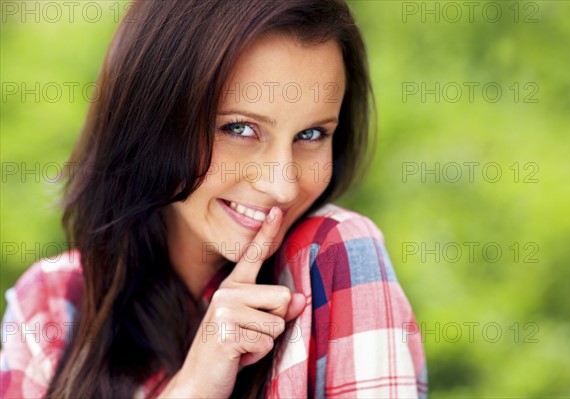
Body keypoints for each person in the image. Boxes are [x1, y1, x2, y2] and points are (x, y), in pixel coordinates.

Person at [0, 0, 427, 398]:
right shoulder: (51, 303)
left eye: (311, 134)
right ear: (149, 119)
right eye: (240, 129)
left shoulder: (335, 257)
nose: (283, 185)